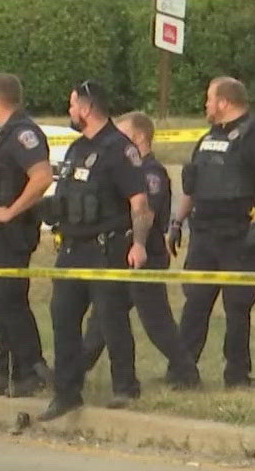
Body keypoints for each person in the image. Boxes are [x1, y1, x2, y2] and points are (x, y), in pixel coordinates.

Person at [37, 81, 153, 422]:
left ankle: (125, 386)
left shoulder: (120, 149)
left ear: (86, 108)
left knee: (111, 318)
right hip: (72, 248)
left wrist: (139, 244)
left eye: (72, 106)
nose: (70, 111)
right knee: (63, 317)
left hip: (106, 247)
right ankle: (67, 392)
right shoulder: (75, 149)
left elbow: (140, 203)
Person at [173, 77, 255, 388]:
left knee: (237, 305)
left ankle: (236, 373)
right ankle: (182, 370)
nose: (206, 105)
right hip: (204, 233)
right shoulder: (207, 138)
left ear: (223, 102)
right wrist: (176, 222)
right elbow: (192, 185)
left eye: (209, 99)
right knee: (195, 301)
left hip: (239, 232)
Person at [81, 111, 202, 399]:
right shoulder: (132, 171)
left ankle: (186, 371)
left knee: (156, 321)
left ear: (139, 137)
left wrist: (139, 245)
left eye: (123, 136)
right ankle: (76, 367)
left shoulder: (151, 173)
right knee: (101, 317)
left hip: (145, 252)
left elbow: (145, 211)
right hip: (122, 253)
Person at [0, 73, 54, 398]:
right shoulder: (0, 133)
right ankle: (8, 371)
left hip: (11, 231)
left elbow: (42, 177)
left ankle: (32, 368)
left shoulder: (23, 133)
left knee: (9, 301)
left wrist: (12, 211)